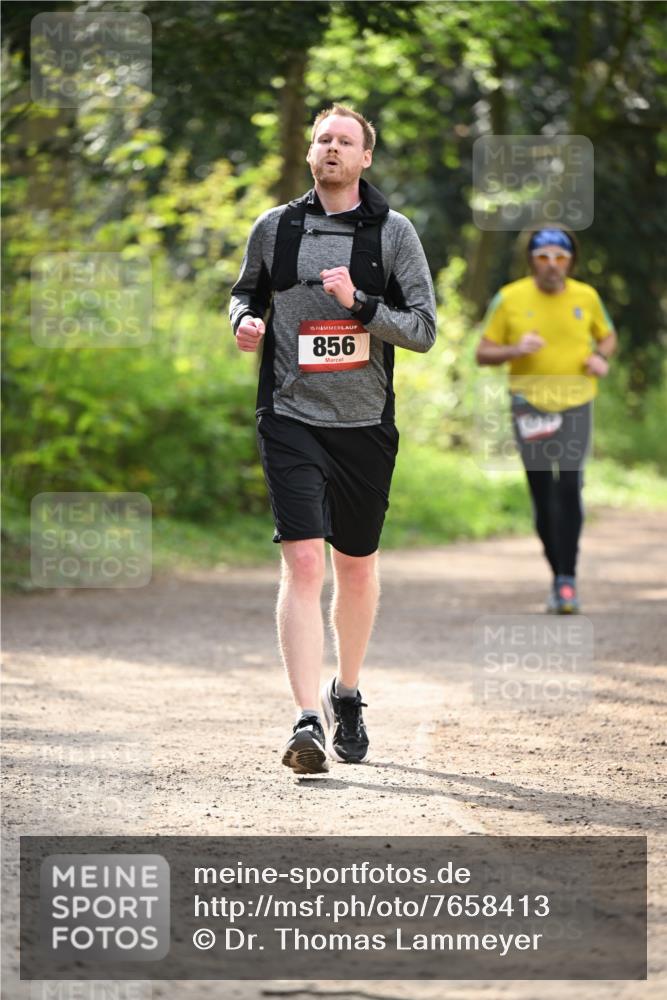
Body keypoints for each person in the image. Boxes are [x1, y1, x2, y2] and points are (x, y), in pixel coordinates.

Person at [230, 104, 436, 774]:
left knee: (355, 566)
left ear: (365, 158)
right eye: (322, 139)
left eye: (345, 141)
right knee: (303, 563)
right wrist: (244, 323)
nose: (332, 149)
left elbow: (423, 329)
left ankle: (345, 692)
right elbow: (244, 294)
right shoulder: (275, 227)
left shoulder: (392, 233)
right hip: (289, 415)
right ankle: (305, 719)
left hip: (364, 424)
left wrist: (359, 305)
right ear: (309, 152)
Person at [476, 227, 617, 614]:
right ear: (531, 260)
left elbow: (607, 336)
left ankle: (567, 579)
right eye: (543, 257)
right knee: (543, 491)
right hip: (530, 406)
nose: (552, 265)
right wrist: (515, 349)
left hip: (576, 402)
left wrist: (600, 357)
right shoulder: (510, 298)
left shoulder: (586, 297)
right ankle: (559, 575)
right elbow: (483, 353)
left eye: (560, 257)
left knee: (569, 484)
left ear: (571, 260)